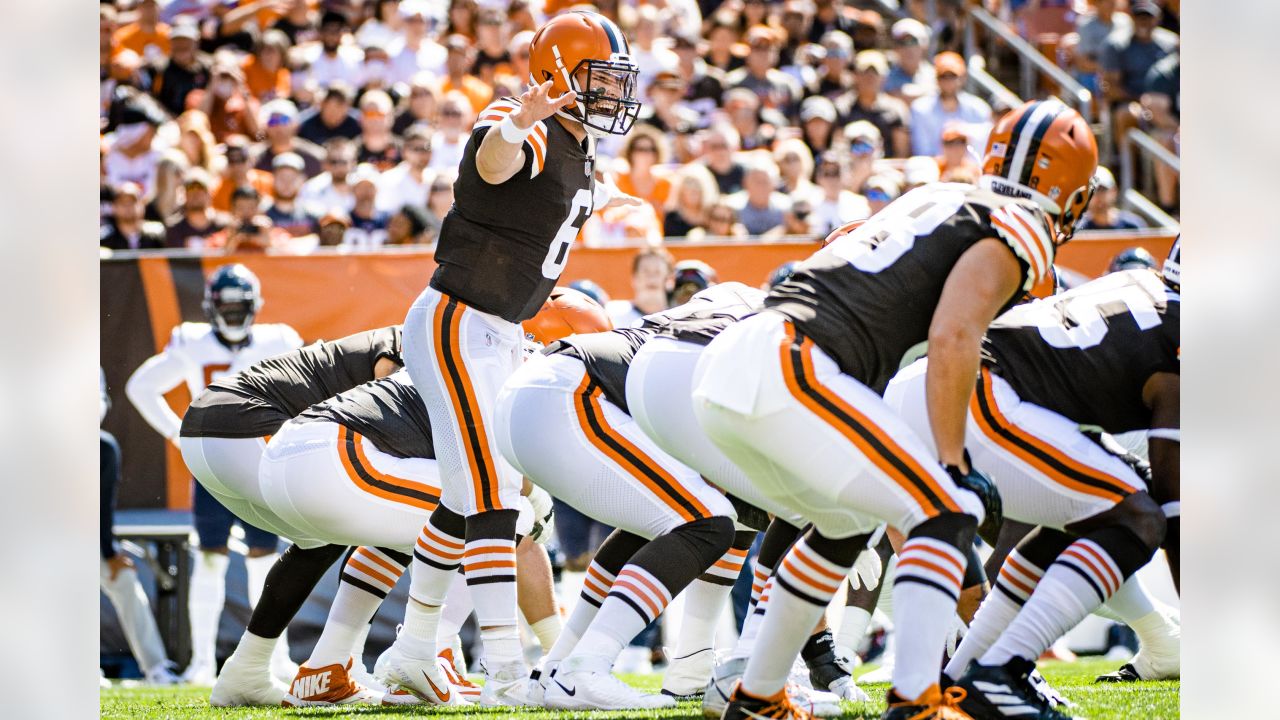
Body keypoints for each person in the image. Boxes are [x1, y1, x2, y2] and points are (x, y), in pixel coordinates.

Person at [693, 98, 1098, 720]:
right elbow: (953, 336)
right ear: (1066, 187)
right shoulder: (1016, 225)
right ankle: (917, 699)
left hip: (743, 359)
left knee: (844, 525)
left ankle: (759, 697)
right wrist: (951, 457)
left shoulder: (940, 195)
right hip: (794, 362)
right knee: (946, 507)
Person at [383, 10, 644, 707]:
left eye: (617, 81)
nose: (614, 94)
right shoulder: (517, 124)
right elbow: (496, 161)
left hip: (497, 328)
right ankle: (505, 670)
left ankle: (413, 648)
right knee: (497, 495)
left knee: (470, 495)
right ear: (558, 76)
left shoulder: (579, 144)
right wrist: (515, 125)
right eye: (600, 79)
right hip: (458, 319)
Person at [884, 243, 1179, 716]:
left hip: (938, 384)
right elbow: (1173, 507)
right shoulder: (1183, 332)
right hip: (973, 391)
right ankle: (1003, 670)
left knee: (1097, 509)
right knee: (1138, 516)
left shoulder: (1138, 291)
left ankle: (962, 674)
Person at [497, 286, 766, 710]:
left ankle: (557, 668)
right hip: (569, 394)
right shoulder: (757, 334)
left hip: (528, 400)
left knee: (664, 521)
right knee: (708, 523)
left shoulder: (694, 322)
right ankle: (587, 668)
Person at [181, 325, 404, 706]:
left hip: (205, 429)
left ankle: (245, 672)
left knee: (319, 539)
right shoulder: (406, 340)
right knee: (377, 515)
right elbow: (393, 406)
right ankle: (344, 663)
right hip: (243, 421)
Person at [125, 265, 304, 686]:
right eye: (226, 305)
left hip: (262, 462)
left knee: (267, 560)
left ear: (254, 307)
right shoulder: (192, 342)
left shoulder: (278, 340)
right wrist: (177, 433)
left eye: (240, 305)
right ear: (211, 307)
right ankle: (202, 663)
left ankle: (277, 659)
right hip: (213, 468)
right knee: (210, 560)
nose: (233, 313)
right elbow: (141, 386)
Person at [101, 369, 181, 687]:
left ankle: (156, 668)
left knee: (124, 578)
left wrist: (108, 551)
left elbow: (100, 506)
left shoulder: (103, 448)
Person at [909, 52, 992, 157]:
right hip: (935, 168)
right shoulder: (920, 108)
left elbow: (986, 147)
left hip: (972, 169)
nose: (948, 82)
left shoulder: (979, 108)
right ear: (936, 79)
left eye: (953, 76)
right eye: (943, 76)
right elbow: (922, 152)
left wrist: (965, 130)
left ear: (963, 78)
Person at [837, 50, 912, 158]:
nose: (870, 78)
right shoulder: (843, 107)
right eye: (865, 72)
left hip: (886, 169)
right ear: (856, 75)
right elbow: (839, 148)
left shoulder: (896, 110)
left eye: (875, 73)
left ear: (884, 77)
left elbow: (901, 154)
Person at [252, 99, 324, 178]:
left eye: (284, 120)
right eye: (272, 121)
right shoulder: (254, 158)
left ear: (295, 124)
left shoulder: (316, 158)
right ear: (265, 127)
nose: (278, 126)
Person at [149, 22, 209, 116]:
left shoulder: (207, 67)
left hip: (200, 118)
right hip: (166, 119)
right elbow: (151, 98)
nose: (181, 46)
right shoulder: (159, 68)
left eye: (186, 40)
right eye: (177, 41)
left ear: (196, 43)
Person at [607, 248, 674, 328]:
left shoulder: (679, 320)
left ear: (669, 280)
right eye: (646, 271)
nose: (651, 278)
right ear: (634, 279)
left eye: (657, 272)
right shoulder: (613, 316)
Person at [375, 125, 434, 214]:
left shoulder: (435, 178)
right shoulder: (389, 180)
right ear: (404, 152)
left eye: (427, 148)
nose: (422, 153)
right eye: (416, 149)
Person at [166, 169, 228, 249]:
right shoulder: (175, 229)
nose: (195, 195)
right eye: (190, 189)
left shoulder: (224, 225)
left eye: (200, 189)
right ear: (185, 195)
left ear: (209, 194)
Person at [727, 160, 790, 236]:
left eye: (765, 182)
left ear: (774, 185)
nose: (760, 187)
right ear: (745, 183)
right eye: (756, 181)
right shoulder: (732, 207)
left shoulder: (787, 207)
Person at [264, 153, 318, 237]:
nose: (287, 183)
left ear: (302, 180)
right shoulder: (262, 214)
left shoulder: (314, 215)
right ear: (273, 179)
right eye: (282, 177)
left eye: (292, 178)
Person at [102, 182, 168, 251]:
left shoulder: (157, 235)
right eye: (122, 202)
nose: (127, 207)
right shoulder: (105, 239)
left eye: (132, 202)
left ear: (143, 205)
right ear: (114, 207)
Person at [300, 138, 357, 216]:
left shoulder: (364, 185)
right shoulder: (312, 187)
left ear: (354, 163)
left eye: (344, 162)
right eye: (333, 161)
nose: (338, 166)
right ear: (324, 164)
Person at [1078, 166, 1148, 230]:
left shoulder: (1132, 226)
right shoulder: (1078, 229)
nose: (1098, 196)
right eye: (1093, 191)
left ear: (1114, 191)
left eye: (1103, 190)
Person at [664, 163, 721, 239]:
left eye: (697, 184)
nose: (693, 189)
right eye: (688, 183)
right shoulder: (672, 217)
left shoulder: (714, 214)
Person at [885, 19, 935, 103]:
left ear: (924, 45)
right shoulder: (885, 77)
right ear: (895, 48)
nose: (908, 49)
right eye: (902, 43)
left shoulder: (936, 75)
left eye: (913, 41)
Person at [297, 84, 362, 146]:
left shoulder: (356, 126)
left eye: (340, 109)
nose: (335, 114)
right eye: (331, 109)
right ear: (322, 105)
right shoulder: (305, 126)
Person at [343, 164, 388, 248]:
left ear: (377, 189)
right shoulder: (343, 220)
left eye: (370, 187)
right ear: (352, 190)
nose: (366, 193)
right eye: (361, 188)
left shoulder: (388, 220)